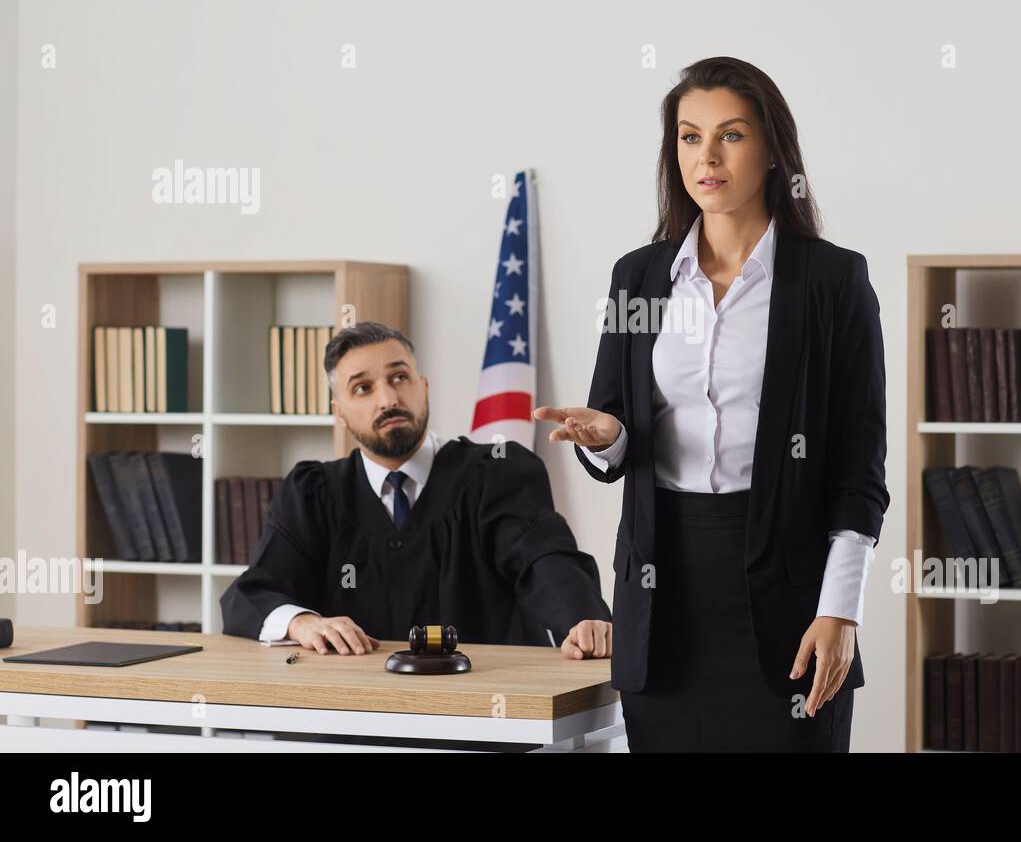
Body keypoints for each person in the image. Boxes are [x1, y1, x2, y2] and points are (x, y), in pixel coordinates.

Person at [534, 57, 889, 751]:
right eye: (690, 137)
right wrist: (604, 436)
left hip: (790, 603)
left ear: (771, 149)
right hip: (663, 600)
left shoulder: (832, 282)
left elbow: (858, 468)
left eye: (731, 134)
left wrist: (840, 610)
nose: (708, 156)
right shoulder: (638, 276)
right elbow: (615, 438)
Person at [221, 321, 612, 661]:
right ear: (338, 413)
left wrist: (580, 618)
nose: (388, 399)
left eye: (399, 378)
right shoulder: (313, 493)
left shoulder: (497, 473)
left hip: (485, 719)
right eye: (362, 388)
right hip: (355, 721)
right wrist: (301, 623)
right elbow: (251, 594)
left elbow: (545, 562)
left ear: (423, 387)